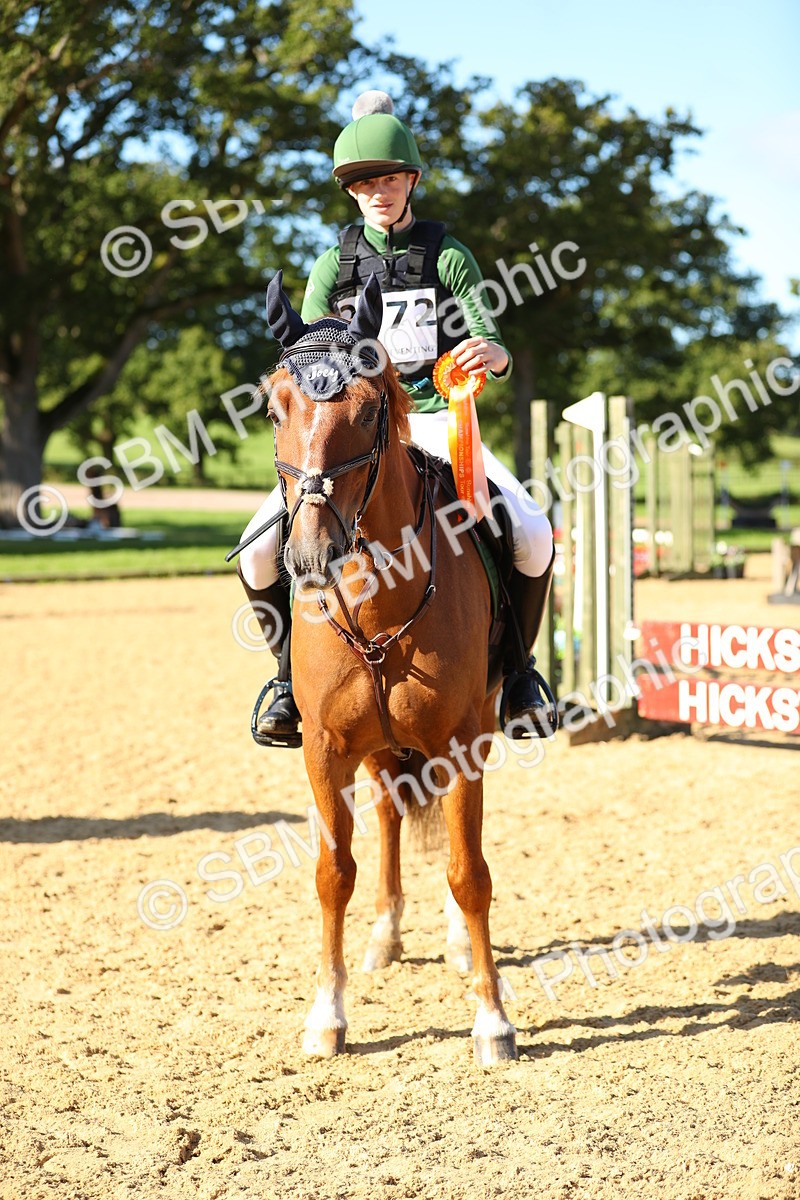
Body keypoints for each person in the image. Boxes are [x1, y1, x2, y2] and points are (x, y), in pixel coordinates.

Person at [237, 91, 557, 745]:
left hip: (437, 418)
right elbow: (307, 359)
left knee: (532, 532)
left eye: (387, 179)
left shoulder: (448, 255)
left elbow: (488, 338)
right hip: (351, 430)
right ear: (350, 193)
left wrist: (493, 355)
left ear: (411, 180)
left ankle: (520, 676)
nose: (376, 192)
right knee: (260, 551)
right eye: (363, 184)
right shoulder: (331, 266)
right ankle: (285, 679)